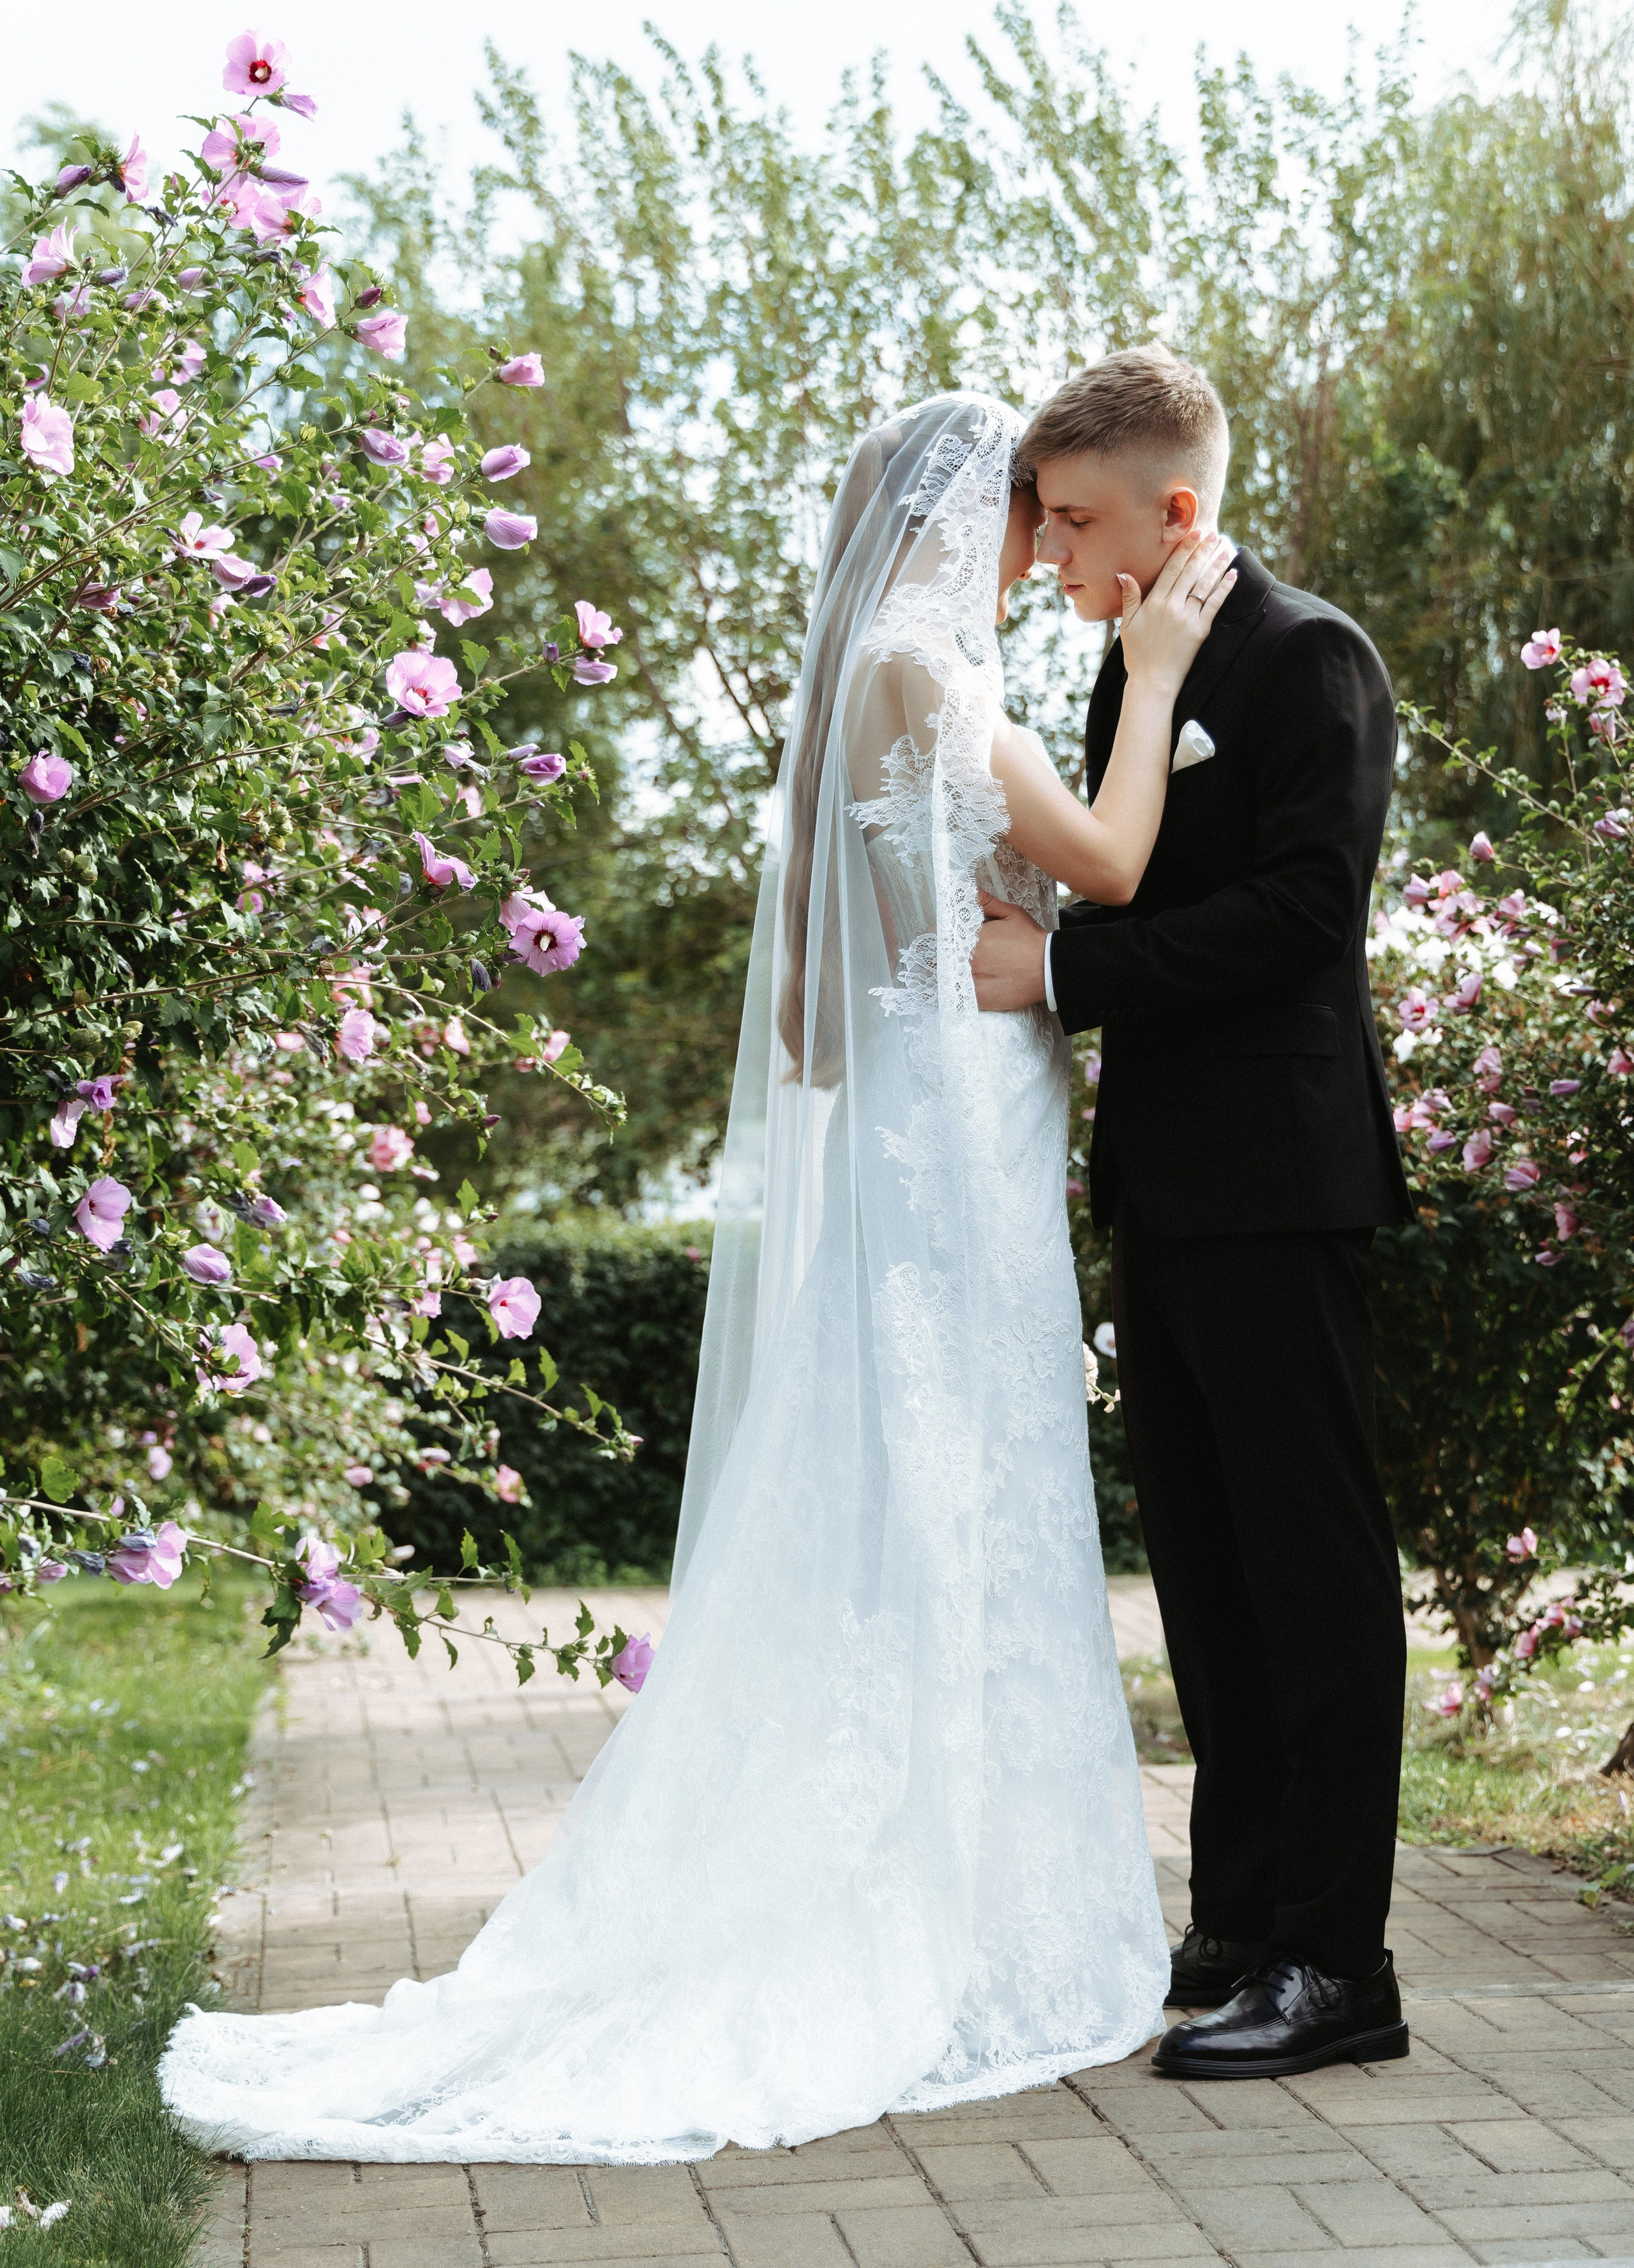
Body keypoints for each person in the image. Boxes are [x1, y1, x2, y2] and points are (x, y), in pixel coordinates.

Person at [159, 392, 1231, 2163]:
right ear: (957, 519)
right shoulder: (937, 677)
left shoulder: (856, 690)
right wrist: (1162, 674)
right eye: (1025, 515)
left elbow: (813, 1024)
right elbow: (1113, 861)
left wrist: (962, 961)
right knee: (967, 1486)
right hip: (966, 1144)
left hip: (917, 1126)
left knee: (911, 1489)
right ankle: (959, 1905)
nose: (1042, 545)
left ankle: (944, 1868)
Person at [971, 345, 1414, 2081]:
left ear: (1176, 510)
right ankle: (1238, 1919)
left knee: (1312, 1575)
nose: (1053, 556)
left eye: (1077, 523)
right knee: (1212, 1577)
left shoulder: (1311, 657)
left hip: (1284, 1183)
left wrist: (1064, 972)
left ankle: (1340, 1967)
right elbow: (1136, 870)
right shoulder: (1132, 671)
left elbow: (1305, 914)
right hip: (1163, 1183)